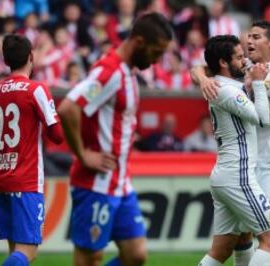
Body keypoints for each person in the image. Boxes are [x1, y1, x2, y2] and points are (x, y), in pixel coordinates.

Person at [57, 12, 173, 266]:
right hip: (95, 183)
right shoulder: (110, 72)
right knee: (90, 258)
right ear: (139, 42)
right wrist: (82, 154)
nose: (156, 60)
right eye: (156, 52)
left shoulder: (127, 72)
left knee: (136, 254)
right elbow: (68, 109)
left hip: (120, 181)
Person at [191, 21, 270, 266]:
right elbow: (202, 65)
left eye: (256, 36)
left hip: (267, 165)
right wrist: (202, 78)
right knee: (264, 238)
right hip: (242, 170)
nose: (249, 42)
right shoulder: (242, 74)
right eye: (247, 38)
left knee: (251, 239)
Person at [198, 35, 270, 266]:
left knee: (222, 250)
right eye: (239, 57)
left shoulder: (223, 85)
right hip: (238, 175)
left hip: (226, 175)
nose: (245, 61)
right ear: (224, 63)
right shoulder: (225, 90)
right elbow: (262, 118)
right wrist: (257, 83)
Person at [0, 34, 63, 266]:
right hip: (27, 181)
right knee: (28, 252)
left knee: (15, 253)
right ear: (31, 56)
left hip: (1, 180)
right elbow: (57, 136)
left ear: (6, 59)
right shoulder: (36, 90)